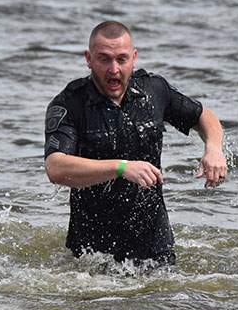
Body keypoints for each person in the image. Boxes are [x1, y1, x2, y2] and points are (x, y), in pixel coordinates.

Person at [44, 20, 227, 265]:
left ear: (134, 58)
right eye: (104, 59)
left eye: (121, 59)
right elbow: (56, 167)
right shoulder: (69, 104)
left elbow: (205, 116)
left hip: (154, 241)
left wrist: (213, 149)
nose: (114, 69)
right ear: (88, 59)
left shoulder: (153, 90)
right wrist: (122, 167)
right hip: (91, 250)